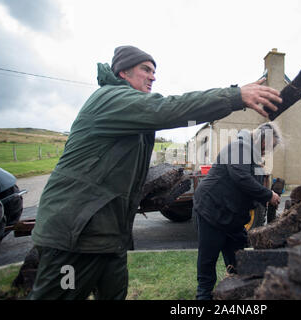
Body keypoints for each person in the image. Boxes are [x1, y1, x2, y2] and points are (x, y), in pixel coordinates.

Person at [27, 45, 282, 300]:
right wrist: (234, 96)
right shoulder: (111, 99)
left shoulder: (131, 114)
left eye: (154, 71)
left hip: (108, 237)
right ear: (123, 72)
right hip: (73, 236)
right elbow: (170, 108)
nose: (153, 76)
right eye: (145, 69)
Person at [194, 122, 281, 300]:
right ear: (260, 138)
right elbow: (241, 178)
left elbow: (251, 185)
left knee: (238, 257)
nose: (267, 151)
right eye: (268, 147)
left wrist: (263, 199)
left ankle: (234, 291)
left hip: (233, 215)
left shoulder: (254, 155)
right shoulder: (239, 147)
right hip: (212, 209)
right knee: (208, 258)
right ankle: (203, 296)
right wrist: (267, 195)